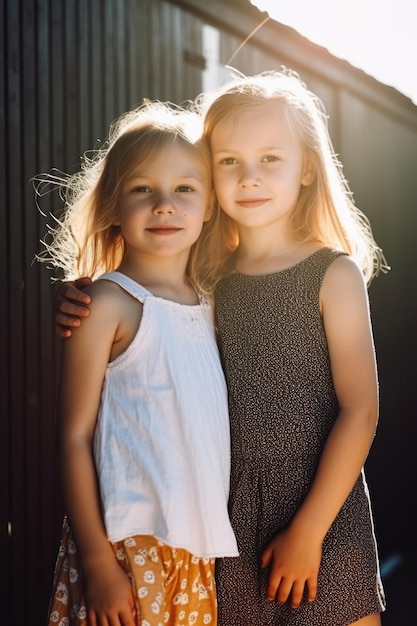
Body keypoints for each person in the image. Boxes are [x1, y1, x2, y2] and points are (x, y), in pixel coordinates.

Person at [53, 69, 388, 626]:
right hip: (227, 524)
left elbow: (362, 410)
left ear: (307, 167)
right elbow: (143, 304)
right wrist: (75, 296)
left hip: (323, 514)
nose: (249, 177)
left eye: (270, 160)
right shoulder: (212, 281)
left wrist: (308, 531)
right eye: (229, 161)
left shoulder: (332, 274)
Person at [37, 100, 238, 626]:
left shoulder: (214, 304)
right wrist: (99, 561)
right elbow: (74, 437)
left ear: (211, 205)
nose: (165, 205)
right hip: (126, 547)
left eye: (185, 189)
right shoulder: (106, 305)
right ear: (113, 203)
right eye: (142, 189)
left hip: (196, 553)